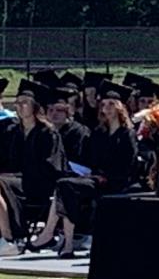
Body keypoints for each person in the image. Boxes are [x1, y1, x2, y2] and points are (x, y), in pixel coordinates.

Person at [31, 80, 137, 258]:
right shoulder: (99, 133)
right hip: (95, 179)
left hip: (117, 182)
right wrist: (94, 173)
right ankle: (66, 242)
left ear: (120, 108)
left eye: (111, 104)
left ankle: (56, 237)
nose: (106, 108)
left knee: (65, 186)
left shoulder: (127, 134)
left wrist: (107, 176)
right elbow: (92, 160)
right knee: (64, 185)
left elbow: (128, 164)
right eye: (103, 105)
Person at [0, 81, 67, 256]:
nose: (20, 107)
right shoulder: (13, 131)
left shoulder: (48, 133)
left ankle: (10, 238)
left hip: (39, 184)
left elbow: (51, 166)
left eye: (24, 102)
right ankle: (7, 237)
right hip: (15, 180)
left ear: (35, 106)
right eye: (17, 102)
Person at [45, 87, 90, 165]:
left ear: (67, 112)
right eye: (50, 110)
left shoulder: (79, 131)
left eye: (59, 110)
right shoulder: (45, 131)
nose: (54, 114)